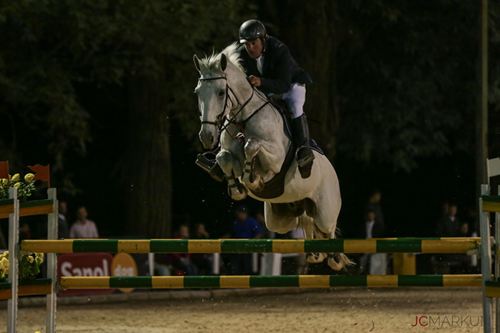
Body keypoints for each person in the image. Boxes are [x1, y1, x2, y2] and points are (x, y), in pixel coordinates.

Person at [196, 19, 315, 179]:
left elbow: (284, 84)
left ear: (263, 40)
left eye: (254, 43)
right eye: (247, 44)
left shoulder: (279, 50)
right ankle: (220, 154)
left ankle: (303, 150)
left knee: (295, 106)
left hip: (291, 86)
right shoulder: (241, 54)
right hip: (265, 89)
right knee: (238, 109)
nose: (250, 48)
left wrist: (261, 82)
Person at [230, 205, 261, 274]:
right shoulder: (236, 222)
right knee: (235, 266)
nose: (238, 215)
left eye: (239, 213)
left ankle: (247, 280)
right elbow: (231, 234)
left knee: (247, 265)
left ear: (245, 213)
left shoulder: (252, 222)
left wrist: (251, 244)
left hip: (247, 247)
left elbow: (258, 234)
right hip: (237, 247)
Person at [359, 210, 386, 275]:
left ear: (374, 215)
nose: (370, 216)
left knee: (375, 261)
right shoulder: (363, 225)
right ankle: (361, 273)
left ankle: (374, 275)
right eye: (369, 215)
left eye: (371, 215)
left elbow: (380, 235)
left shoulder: (378, 225)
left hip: (374, 244)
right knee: (363, 260)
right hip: (365, 245)